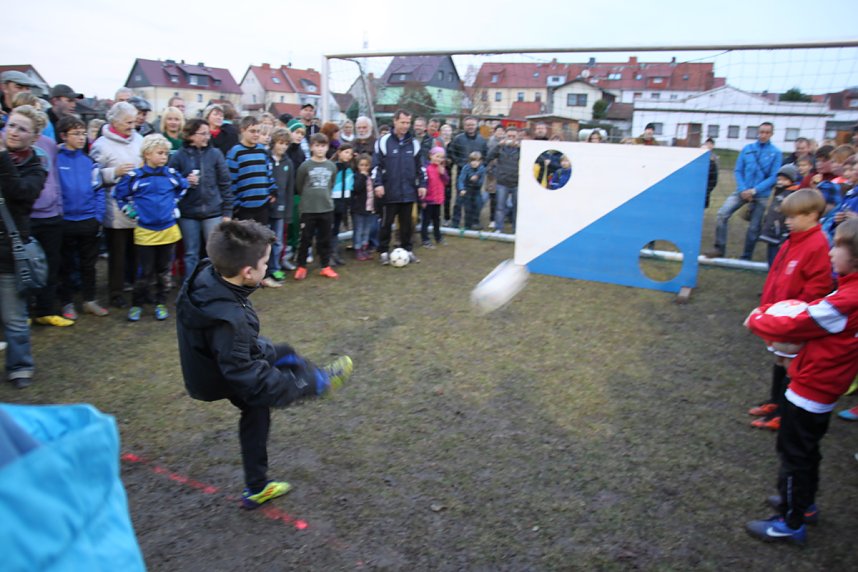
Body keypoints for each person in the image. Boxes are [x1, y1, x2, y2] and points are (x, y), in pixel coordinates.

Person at [176, 219, 353, 509]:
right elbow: (251, 380)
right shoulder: (231, 321)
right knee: (257, 403)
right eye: (265, 263)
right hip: (215, 374)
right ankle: (316, 383)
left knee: (282, 352)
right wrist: (299, 386)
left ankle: (316, 376)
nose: (268, 269)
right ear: (247, 272)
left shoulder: (210, 271)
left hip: (215, 356)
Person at [744, 218, 858, 546]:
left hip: (812, 388)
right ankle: (802, 505)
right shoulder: (849, 290)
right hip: (823, 386)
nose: (831, 251)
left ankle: (789, 523)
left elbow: (797, 324)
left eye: (838, 246)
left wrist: (757, 317)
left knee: (794, 452)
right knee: (806, 449)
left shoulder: (846, 300)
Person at [747, 189, 833, 432]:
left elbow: (819, 286)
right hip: (779, 314)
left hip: (793, 319)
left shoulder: (817, 245)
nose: (787, 221)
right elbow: (777, 276)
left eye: (793, 217)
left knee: (790, 363)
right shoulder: (792, 240)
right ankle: (775, 403)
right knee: (779, 358)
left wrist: (793, 313)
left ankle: (784, 413)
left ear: (812, 215)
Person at [113, 134, 188, 321]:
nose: (164, 157)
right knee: (144, 272)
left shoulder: (170, 174)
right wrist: (132, 213)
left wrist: (173, 205)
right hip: (145, 231)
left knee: (163, 271)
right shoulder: (135, 177)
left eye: (166, 153)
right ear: (147, 154)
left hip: (169, 230)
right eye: (160, 153)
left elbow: (183, 187)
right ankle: (137, 304)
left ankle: (160, 302)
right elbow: (119, 195)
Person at [0, 105, 48, 389]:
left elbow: (21, 194)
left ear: (34, 136)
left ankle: (20, 366)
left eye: (22, 129)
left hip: (9, 251)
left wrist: (3, 157)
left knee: (15, 317)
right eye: (11, 125)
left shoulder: (36, 166)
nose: (14, 132)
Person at [90, 101, 143, 308]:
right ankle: (116, 291)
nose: (132, 125)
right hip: (115, 207)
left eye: (134, 121)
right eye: (128, 122)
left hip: (138, 204)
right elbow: (93, 175)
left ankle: (135, 284)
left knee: (137, 249)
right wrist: (115, 172)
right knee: (118, 252)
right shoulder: (101, 145)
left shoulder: (139, 139)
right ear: (115, 121)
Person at [55, 116, 108, 320]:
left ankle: (89, 300)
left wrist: (98, 217)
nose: (81, 138)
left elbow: (98, 190)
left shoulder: (89, 162)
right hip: (65, 221)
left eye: (83, 133)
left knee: (89, 264)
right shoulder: (56, 160)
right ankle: (67, 303)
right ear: (63, 136)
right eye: (76, 133)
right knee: (66, 265)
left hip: (88, 220)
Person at [705, 122, 781, 260]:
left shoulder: (776, 153)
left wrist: (755, 191)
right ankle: (719, 248)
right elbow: (738, 170)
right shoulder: (747, 149)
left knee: (753, 228)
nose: (763, 135)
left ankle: (746, 256)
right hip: (742, 191)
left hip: (761, 194)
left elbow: (774, 176)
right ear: (758, 132)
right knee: (722, 214)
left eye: (767, 132)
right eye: (761, 132)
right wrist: (743, 189)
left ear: (771, 134)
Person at [169, 118, 233, 279]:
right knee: (191, 253)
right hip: (188, 213)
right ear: (190, 135)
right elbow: (170, 183)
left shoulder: (215, 154)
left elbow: (225, 183)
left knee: (213, 253)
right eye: (202, 133)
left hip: (213, 212)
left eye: (207, 133)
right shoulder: (178, 156)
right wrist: (185, 181)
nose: (207, 137)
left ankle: (211, 287)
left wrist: (227, 212)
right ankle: (190, 289)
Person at [372, 109, 427, 265]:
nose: (405, 126)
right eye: (402, 122)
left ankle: (407, 250)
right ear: (395, 121)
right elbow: (376, 166)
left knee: (407, 224)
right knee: (386, 223)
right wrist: (378, 184)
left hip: (408, 191)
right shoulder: (383, 141)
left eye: (408, 123)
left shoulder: (414, 143)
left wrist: (422, 184)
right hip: (389, 191)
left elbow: (420, 167)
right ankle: (383, 251)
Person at [294, 133, 338, 280]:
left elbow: (331, 184)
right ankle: (301, 266)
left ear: (327, 147)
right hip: (308, 209)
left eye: (323, 146)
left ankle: (325, 266)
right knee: (305, 239)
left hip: (326, 208)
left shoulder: (331, 166)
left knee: (325, 239)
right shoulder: (305, 166)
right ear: (312, 147)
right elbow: (299, 186)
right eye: (317, 146)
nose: (320, 149)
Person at [226, 116, 276, 224]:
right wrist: (236, 204)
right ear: (243, 131)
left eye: (258, 131)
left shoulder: (262, 150)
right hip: (244, 207)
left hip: (262, 204)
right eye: (252, 131)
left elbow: (268, 173)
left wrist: (272, 190)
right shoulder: (235, 152)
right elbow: (231, 181)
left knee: (262, 238)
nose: (256, 134)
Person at [265, 127, 296, 285]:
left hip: (280, 208)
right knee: (263, 241)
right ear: (273, 143)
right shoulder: (265, 159)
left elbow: (290, 189)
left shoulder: (288, 163)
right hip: (263, 208)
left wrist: (288, 212)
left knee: (277, 241)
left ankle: (275, 267)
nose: (283, 147)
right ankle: (262, 270)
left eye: (286, 144)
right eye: (280, 143)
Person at [758, 165, 801, 266]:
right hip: (772, 231)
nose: (780, 182)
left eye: (784, 180)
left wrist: (785, 233)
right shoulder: (778, 192)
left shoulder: (791, 194)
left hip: (781, 233)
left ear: (792, 180)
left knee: (777, 259)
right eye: (779, 179)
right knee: (771, 257)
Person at [486, 126, 521, 234]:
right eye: (509, 136)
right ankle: (498, 228)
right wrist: (498, 146)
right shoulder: (500, 147)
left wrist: (521, 147)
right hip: (502, 182)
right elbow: (488, 157)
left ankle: (516, 229)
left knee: (517, 208)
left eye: (513, 136)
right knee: (500, 207)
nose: (511, 138)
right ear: (505, 136)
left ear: (517, 137)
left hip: (517, 183)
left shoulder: (522, 148)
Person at [330, 143, 354, 266]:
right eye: (346, 152)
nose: (348, 156)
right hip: (333, 202)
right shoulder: (333, 167)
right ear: (339, 152)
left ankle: (335, 253)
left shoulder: (349, 168)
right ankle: (329, 255)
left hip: (343, 202)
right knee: (330, 229)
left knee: (336, 229)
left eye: (350, 153)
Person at [421, 146, 448, 247]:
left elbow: (446, 182)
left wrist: (442, 174)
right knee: (426, 221)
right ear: (431, 156)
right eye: (437, 156)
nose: (439, 159)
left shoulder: (441, 169)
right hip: (428, 200)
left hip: (438, 200)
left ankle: (438, 237)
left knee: (437, 220)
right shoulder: (426, 169)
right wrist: (423, 200)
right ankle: (425, 239)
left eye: (441, 157)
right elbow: (423, 184)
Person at [453, 151, 486, 230]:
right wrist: (462, 189)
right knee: (467, 207)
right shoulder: (466, 168)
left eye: (476, 161)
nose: (474, 163)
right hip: (467, 189)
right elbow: (461, 179)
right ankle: (465, 225)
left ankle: (475, 222)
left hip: (476, 190)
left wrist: (476, 179)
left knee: (478, 205)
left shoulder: (482, 169)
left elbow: (481, 182)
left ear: (480, 161)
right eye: (472, 161)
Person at [351, 153, 375, 261]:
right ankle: (357, 248)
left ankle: (365, 247)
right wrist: (362, 176)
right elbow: (356, 188)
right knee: (359, 229)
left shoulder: (370, 177)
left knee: (366, 229)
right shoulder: (356, 176)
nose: (364, 168)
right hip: (358, 208)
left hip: (369, 207)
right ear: (357, 166)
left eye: (366, 165)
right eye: (361, 165)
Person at [703, 138, 719, 208]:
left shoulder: (714, 157)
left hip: (709, 181)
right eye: (707, 144)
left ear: (713, 146)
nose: (708, 146)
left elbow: (715, 175)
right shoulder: (700, 155)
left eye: (710, 144)